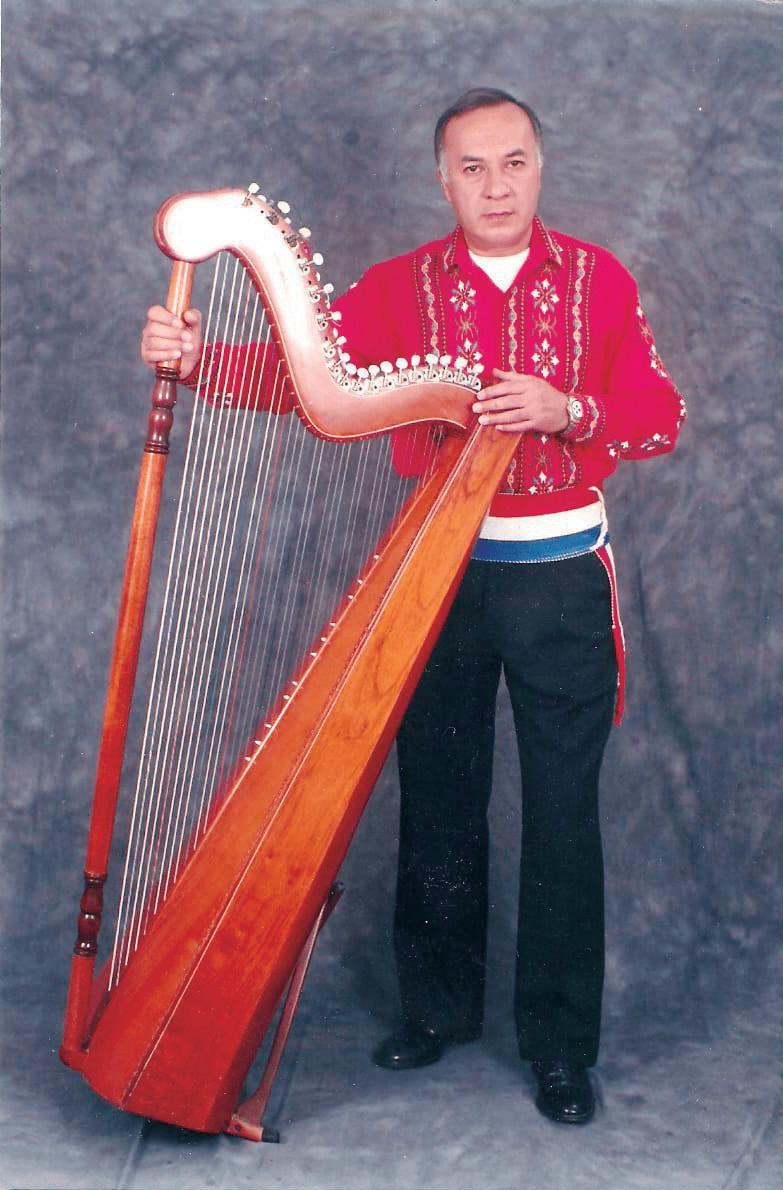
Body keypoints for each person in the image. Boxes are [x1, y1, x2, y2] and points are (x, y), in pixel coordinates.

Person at [140, 87, 685, 1125]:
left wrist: (571, 409)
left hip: (561, 578)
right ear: (443, 181)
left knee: (561, 816)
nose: (495, 185)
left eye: (513, 163)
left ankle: (560, 1047)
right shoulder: (402, 285)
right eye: (471, 167)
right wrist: (202, 361)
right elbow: (311, 378)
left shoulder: (599, 280)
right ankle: (436, 1010)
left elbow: (661, 414)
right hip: (436, 582)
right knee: (438, 798)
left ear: (540, 168)